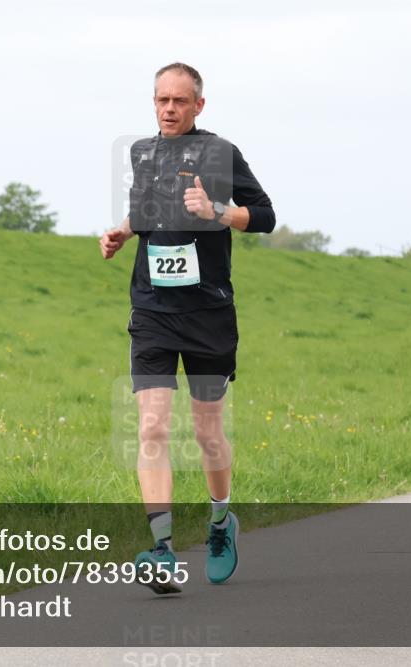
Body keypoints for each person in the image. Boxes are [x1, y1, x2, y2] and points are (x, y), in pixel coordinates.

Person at [99, 62, 276, 594]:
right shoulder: (142, 152)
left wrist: (219, 210)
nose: (168, 109)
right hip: (152, 310)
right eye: (160, 100)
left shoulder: (221, 153)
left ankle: (221, 521)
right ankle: (162, 550)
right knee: (152, 426)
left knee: (206, 431)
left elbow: (265, 215)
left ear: (200, 105)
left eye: (178, 101)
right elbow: (147, 208)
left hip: (207, 314)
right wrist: (124, 232)